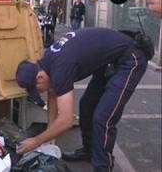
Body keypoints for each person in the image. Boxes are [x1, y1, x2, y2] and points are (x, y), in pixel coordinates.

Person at [15, 28, 149, 172]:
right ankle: (89, 151)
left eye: (38, 89)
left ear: (40, 77)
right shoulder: (46, 62)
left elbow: (66, 120)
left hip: (130, 58)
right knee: (86, 106)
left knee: (103, 118)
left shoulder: (60, 68)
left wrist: (37, 141)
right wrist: (48, 136)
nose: (40, 92)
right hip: (108, 61)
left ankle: (103, 167)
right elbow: (52, 96)